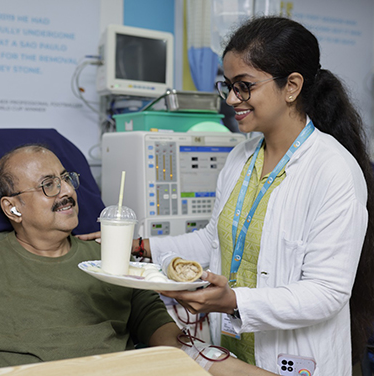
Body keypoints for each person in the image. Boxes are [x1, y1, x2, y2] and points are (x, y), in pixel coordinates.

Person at [79, 16, 374, 375]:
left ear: (292, 86)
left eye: (244, 86)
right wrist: (141, 248)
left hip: (295, 359)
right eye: (229, 85)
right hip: (232, 351)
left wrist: (232, 300)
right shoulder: (242, 157)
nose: (232, 98)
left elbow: (326, 293)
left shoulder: (333, 170)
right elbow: (213, 241)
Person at [0, 143, 280, 376]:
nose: (67, 191)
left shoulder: (113, 263)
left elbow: (179, 345)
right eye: (48, 185)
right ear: (13, 208)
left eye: (66, 179)